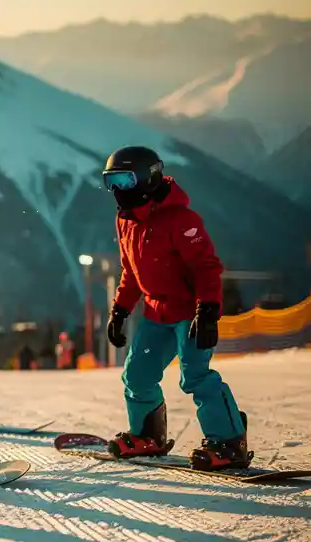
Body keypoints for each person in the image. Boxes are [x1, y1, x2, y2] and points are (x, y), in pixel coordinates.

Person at [102, 146, 250, 471]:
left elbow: (206, 267)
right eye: (111, 181)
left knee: (195, 376)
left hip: (190, 313)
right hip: (156, 314)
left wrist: (208, 310)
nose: (117, 190)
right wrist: (120, 310)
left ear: (147, 178)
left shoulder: (182, 220)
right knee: (136, 376)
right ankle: (148, 435)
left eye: (125, 180)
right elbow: (130, 271)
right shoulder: (125, 221)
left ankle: (229, 441)